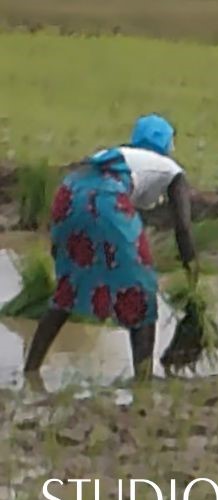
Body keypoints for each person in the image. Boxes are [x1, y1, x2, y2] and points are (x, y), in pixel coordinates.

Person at [23, 114, 198, 381]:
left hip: (68, 195)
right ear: (167, 145)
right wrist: (192, 270)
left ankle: (31, 371)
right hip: (106, 201)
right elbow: (183, 227)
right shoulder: (171, 170)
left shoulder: (115, 154)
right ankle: (143, 382)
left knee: (69, 287)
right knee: (141, 291)